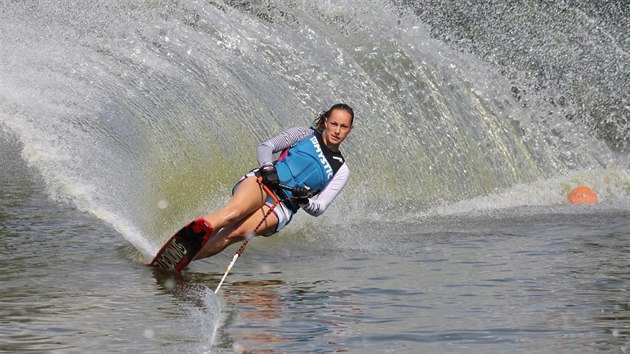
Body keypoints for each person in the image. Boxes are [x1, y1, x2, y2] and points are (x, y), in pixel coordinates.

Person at [193, 103, 354, 260]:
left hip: (283, 207)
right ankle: (188, 242)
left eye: (344, 127)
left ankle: (184, 261)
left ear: (350, 129)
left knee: (234, 233)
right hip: (265, 183)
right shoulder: (303, 134)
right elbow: (266, 147)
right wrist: (268, 168)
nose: (337, 131)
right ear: (326, 121)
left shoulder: (341, 169)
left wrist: (304, 201)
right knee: (233, 213)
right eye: (334, 124)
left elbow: (320, 207)